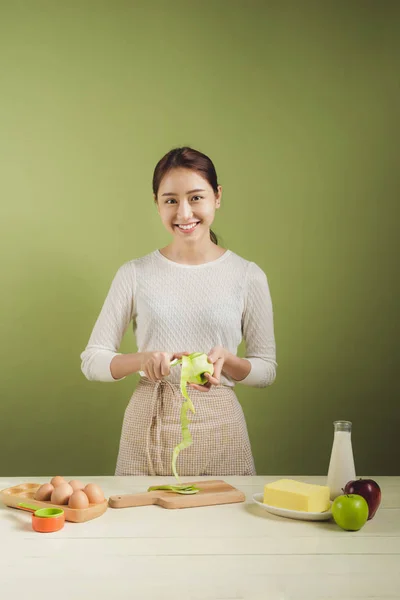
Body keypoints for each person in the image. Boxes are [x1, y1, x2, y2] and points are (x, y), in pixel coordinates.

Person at [80, 146, 277, 476]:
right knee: (140, 525)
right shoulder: (134, 273)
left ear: (217, 196)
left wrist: (228, 361)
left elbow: (266, 370)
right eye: (170, 200)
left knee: (226, 525)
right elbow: (92, 360)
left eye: (196, 197)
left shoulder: (248, 276)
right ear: (157, 204)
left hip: (221, 432)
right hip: (147, 429)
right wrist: (142, 360)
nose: (184, 214)